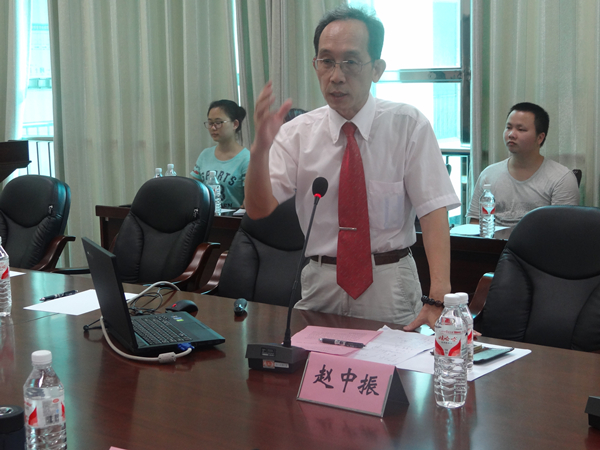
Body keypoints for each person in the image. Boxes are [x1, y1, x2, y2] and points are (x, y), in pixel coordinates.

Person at [244, 6, 459, 330]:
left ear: (377, 69)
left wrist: (439, 296)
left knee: (395, 363)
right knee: (308, 363)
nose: (336, 76)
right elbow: (258, 209)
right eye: (326, 61)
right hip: (321, 281)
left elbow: (432, 212)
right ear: (315, 64)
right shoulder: (296, 133)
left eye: (351, 62)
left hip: (389, 282)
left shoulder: (407, 124)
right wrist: (259, 151)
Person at [467, 102, 580, 227]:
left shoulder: (561, 178)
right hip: (494, 240)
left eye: (521, 129)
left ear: (540, 138)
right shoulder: (489, 174)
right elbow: (475, 223)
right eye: (508, 127)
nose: (511, 134)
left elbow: (562, 230)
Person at [191, 100, 250, 209]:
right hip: (206, 217)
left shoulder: (247, 159)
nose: (213, 128)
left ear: (235, 124)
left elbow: (249, 201)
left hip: (232, 218)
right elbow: (193, 192)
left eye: (218, 123)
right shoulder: (205, 155)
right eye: (210, 123)